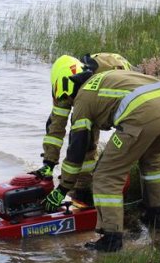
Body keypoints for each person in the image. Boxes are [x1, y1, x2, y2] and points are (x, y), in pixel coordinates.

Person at [45, 61, 160, 252]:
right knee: (152, 160)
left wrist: (62, 188)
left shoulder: (83, 99)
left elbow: (77, 149)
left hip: (143, 116)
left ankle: (111, 238)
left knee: (106, 175)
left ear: (67, 90)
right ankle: (155, 215)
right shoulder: (102, 78)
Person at [34, 52, 131, 207]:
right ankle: (81, 190)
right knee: (82, 143)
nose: (69, 100)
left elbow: (80, 143)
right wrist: (48, 163)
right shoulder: (62, 89)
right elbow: (55, 128)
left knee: (93, 145)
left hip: (121, 100)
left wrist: (63, 188)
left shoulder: (96, 80)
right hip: (97, 95)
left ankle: (96, 192)